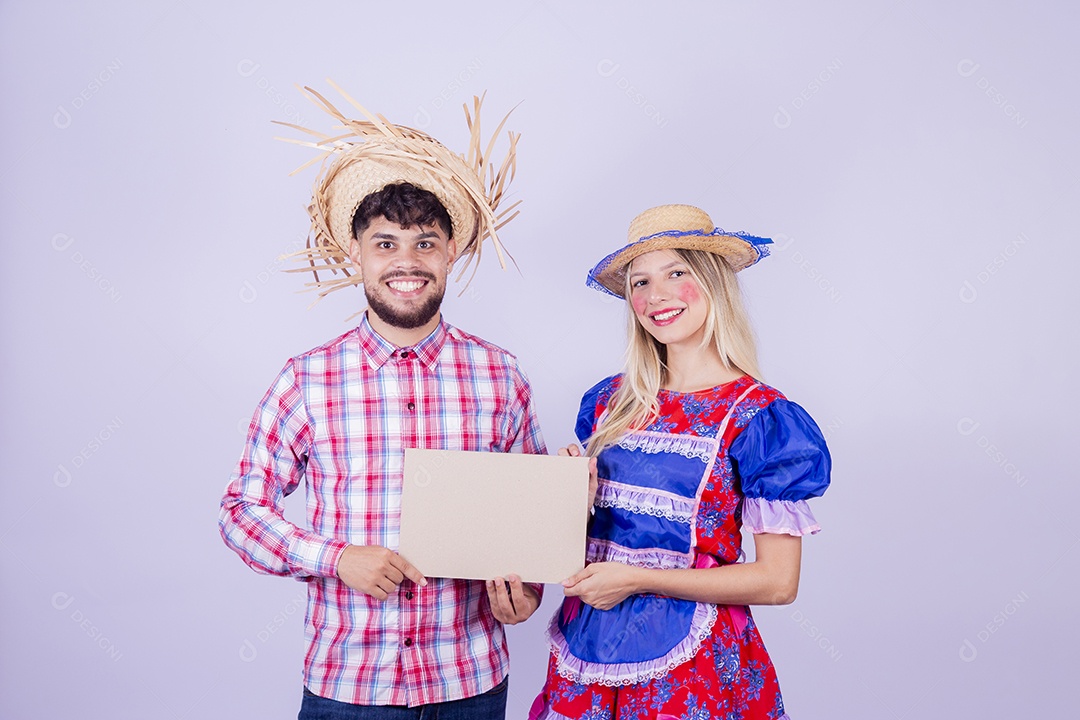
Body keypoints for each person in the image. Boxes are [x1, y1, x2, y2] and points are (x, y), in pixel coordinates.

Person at [219, 84, 545, 720]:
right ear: (356, 254)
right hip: (350, 688)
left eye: (425, 242)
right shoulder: (307, 379)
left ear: (451, 251)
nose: (407, 262)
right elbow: (240, 512)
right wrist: (336, 558)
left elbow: (529, 520)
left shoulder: (500, 376)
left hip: (470, 683)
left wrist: (525, 593)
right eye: (385, 243)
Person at [532, 204, 832, 720]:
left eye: (676, 273)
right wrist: (574, 503)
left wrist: (639, 579)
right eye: (641, 282)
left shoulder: (759, 418)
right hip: (589, 648)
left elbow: (778, 581)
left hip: (694, 666)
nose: (656, 296)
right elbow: (587, 546)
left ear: (714, 283)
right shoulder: (609, 403)